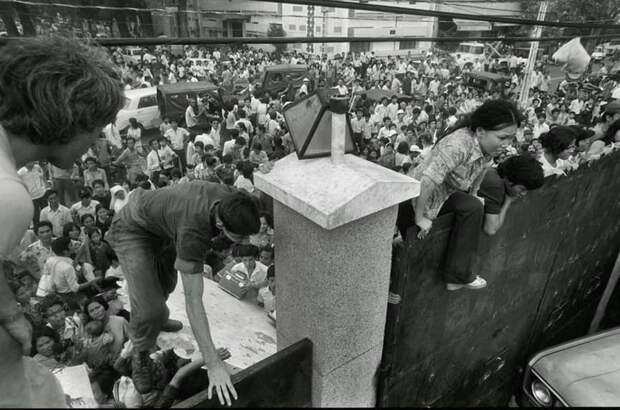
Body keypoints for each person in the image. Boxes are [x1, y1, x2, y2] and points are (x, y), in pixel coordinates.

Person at [0, 35, 123, 407]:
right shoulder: (9, 196)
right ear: (72, 117)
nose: (99, 139)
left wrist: (8, 310)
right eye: (98, 126)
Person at [105, 181, 261, 404]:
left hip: (163, 226)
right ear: (219, 222)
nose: (247, 242)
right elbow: (193, 300)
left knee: (166, 285)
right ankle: (139, 353)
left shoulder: (233, 199)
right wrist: (214, 363)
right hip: (132, 230)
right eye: (241, 237)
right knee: (150, 308)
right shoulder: (193, 230)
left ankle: (159, 320)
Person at [396, 100, 522, 291]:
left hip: (443, 196)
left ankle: (456, 275)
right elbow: (428, 181)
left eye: (511, 138)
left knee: (473, 206)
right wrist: (420, 217)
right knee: (412, 258)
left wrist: (474, 193)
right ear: (480, 131)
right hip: (415, 200)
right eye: (502, 137)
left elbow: (480, 169)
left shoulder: (487, 147)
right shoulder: (458, 146)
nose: (507, 144)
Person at [477, 155, 545, 236]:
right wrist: (508, 202)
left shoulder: (494, 173)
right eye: (522, 189)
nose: (523, 194)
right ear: (510, 179)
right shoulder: (495, 185)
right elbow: (490, 229)